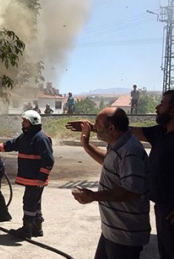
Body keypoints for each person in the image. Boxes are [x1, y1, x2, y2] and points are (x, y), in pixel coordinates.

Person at [66, 107, 150, 259]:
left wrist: (94, 196)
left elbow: (131, 191)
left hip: (125, 234)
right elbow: (109, 163)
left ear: (111, 128)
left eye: (97, 123)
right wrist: (86, 141)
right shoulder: (118, 143)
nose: (94, 126)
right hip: (112, 231)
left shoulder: (131, 151)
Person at [0, 110, 54, 239]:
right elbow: (12, 144)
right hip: (31, 178)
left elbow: (48, 160)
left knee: (29, 202)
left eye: (25, 121)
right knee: (35, 203)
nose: (22, 123)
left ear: (33, 122)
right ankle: (36, 228)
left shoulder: (40, 138)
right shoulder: (26, 136)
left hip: (36, 178)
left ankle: (27, 230)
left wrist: (42, 177)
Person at [126, 90, 174, 259]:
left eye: (162, 104)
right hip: (162, 207)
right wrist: (99, 127)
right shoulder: (161, 132)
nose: (157, 107)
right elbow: (131, 131)